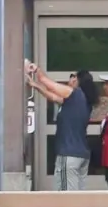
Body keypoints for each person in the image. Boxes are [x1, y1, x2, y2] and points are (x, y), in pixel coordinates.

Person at [25, 61, 98, 191]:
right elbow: (53, 96)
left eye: (72, 75)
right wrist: (35, 85)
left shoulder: (73, 93)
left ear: (77, 80)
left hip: (69, 153)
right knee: (78, 194)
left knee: (66, 195)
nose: (70, 78)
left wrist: (37, 70)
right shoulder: (83, 100)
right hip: (82, 155)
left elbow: (49, 84)